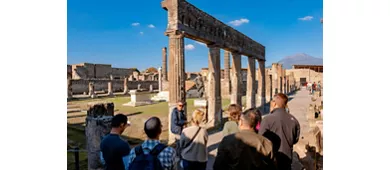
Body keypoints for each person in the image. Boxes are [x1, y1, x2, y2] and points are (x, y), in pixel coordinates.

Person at [259, 93, 300, 170]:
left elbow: (261, 139)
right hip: (287, 158)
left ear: (274, 103)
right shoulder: (294, 120)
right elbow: (295, 140)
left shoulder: (267, 119)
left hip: (271, 159)